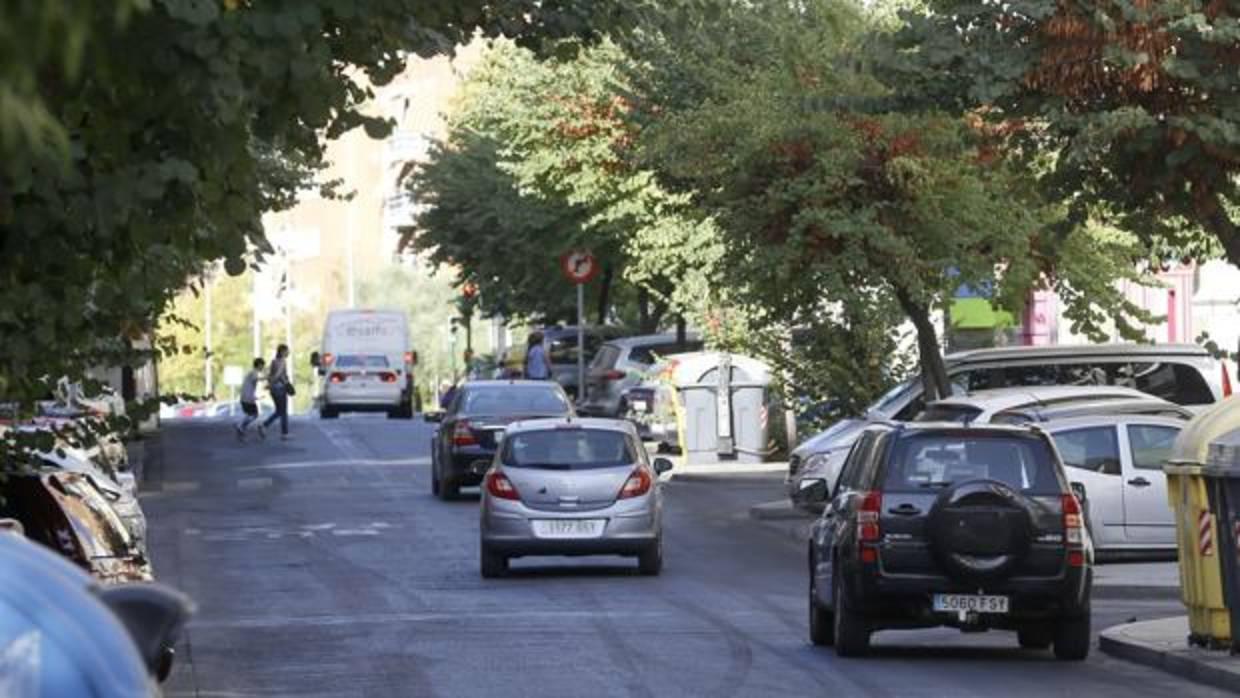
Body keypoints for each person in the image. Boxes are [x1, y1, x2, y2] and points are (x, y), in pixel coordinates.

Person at [261, 344, 292, 440]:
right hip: (280, 389)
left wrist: (270, 385)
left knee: (279, 411)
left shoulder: (273, 361)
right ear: (282, 351)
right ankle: (284, 433)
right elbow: (278, 375)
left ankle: (264, 425)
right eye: (287, 351)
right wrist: (272, 384)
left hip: (273, 390)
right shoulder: (282, 361)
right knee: (283, 412)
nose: (288, 352)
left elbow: (269, 374)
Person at [235, 358, 266, 441]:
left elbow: (249, 385)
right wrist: (266, 378)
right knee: (254, 415)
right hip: (247, 398)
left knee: (251, 414)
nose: (263, 367)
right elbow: (255, 379)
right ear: (259, 365)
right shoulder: (253, 372)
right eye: (262, 365)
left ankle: (241, 430)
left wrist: (257, 397)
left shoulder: (251, 372)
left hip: (246, 397)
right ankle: (240, 425)